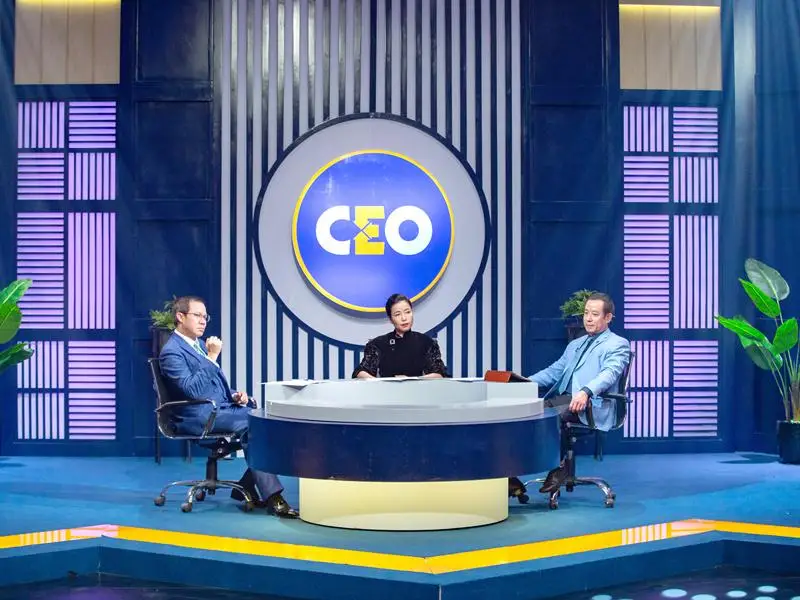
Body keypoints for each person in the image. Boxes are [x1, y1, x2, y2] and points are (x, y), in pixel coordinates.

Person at [159, 295, 298, 518]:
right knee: (254, 425)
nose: (203, 321)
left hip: (219, 409)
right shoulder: (172, 351)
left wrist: (234, 395)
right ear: (180, 317)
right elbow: (192, 391)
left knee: (270, 421)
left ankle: (248, 486)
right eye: (197, 315)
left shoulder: (197, 346)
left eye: (205, 317)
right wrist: (212, 356)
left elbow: (210, 386)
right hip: (197, 416)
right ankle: (273, 498)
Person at [509, 292, 630, 498]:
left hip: (591, 403)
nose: (588, 319)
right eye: (586, 313)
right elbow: (554, 372)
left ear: (608, 317)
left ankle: (560, 467)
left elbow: (608, 374)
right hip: (562, 399)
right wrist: (524, 382)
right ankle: (511, 476)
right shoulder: (576, 344)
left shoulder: (617, 344)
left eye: (594, 314)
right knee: (521, 415)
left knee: (550, 415)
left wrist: (586, 392)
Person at [352, 293, 448, 379]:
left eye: (407, 312)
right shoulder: (378, 344)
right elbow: (360, 372)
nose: (404, 318)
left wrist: (412, 381)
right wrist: (380, 383)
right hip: (386, 392)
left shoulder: (426, 342)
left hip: (418, 391)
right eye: (397, 314)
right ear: (390, 319)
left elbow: (439, 373)